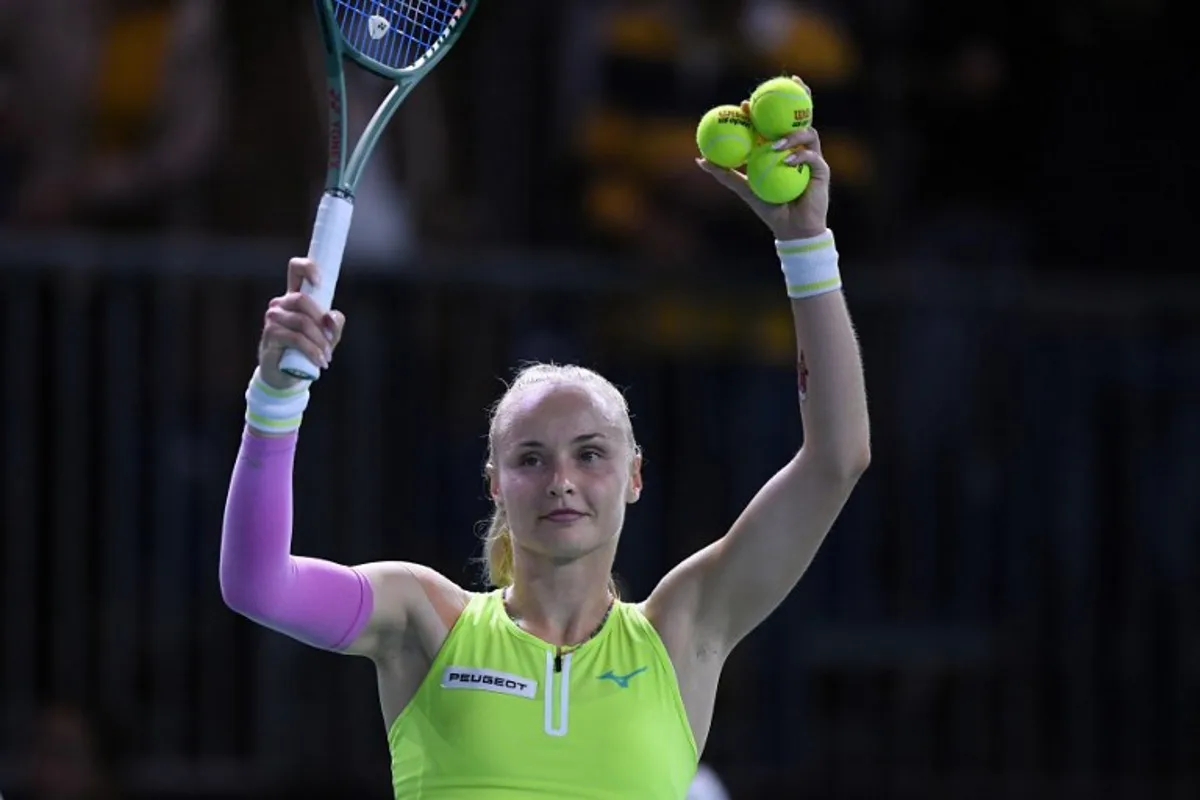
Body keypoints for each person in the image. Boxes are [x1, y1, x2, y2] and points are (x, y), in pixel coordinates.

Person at [220, 80, 870, 799]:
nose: (561, 478)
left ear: (634, 476)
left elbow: (837, 459)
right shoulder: (425, 620)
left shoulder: (684, 632)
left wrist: (806, 244)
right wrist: (275, 399)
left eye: (590, 453)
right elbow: (258, 583)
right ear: (495, 483)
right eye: (531, 458)